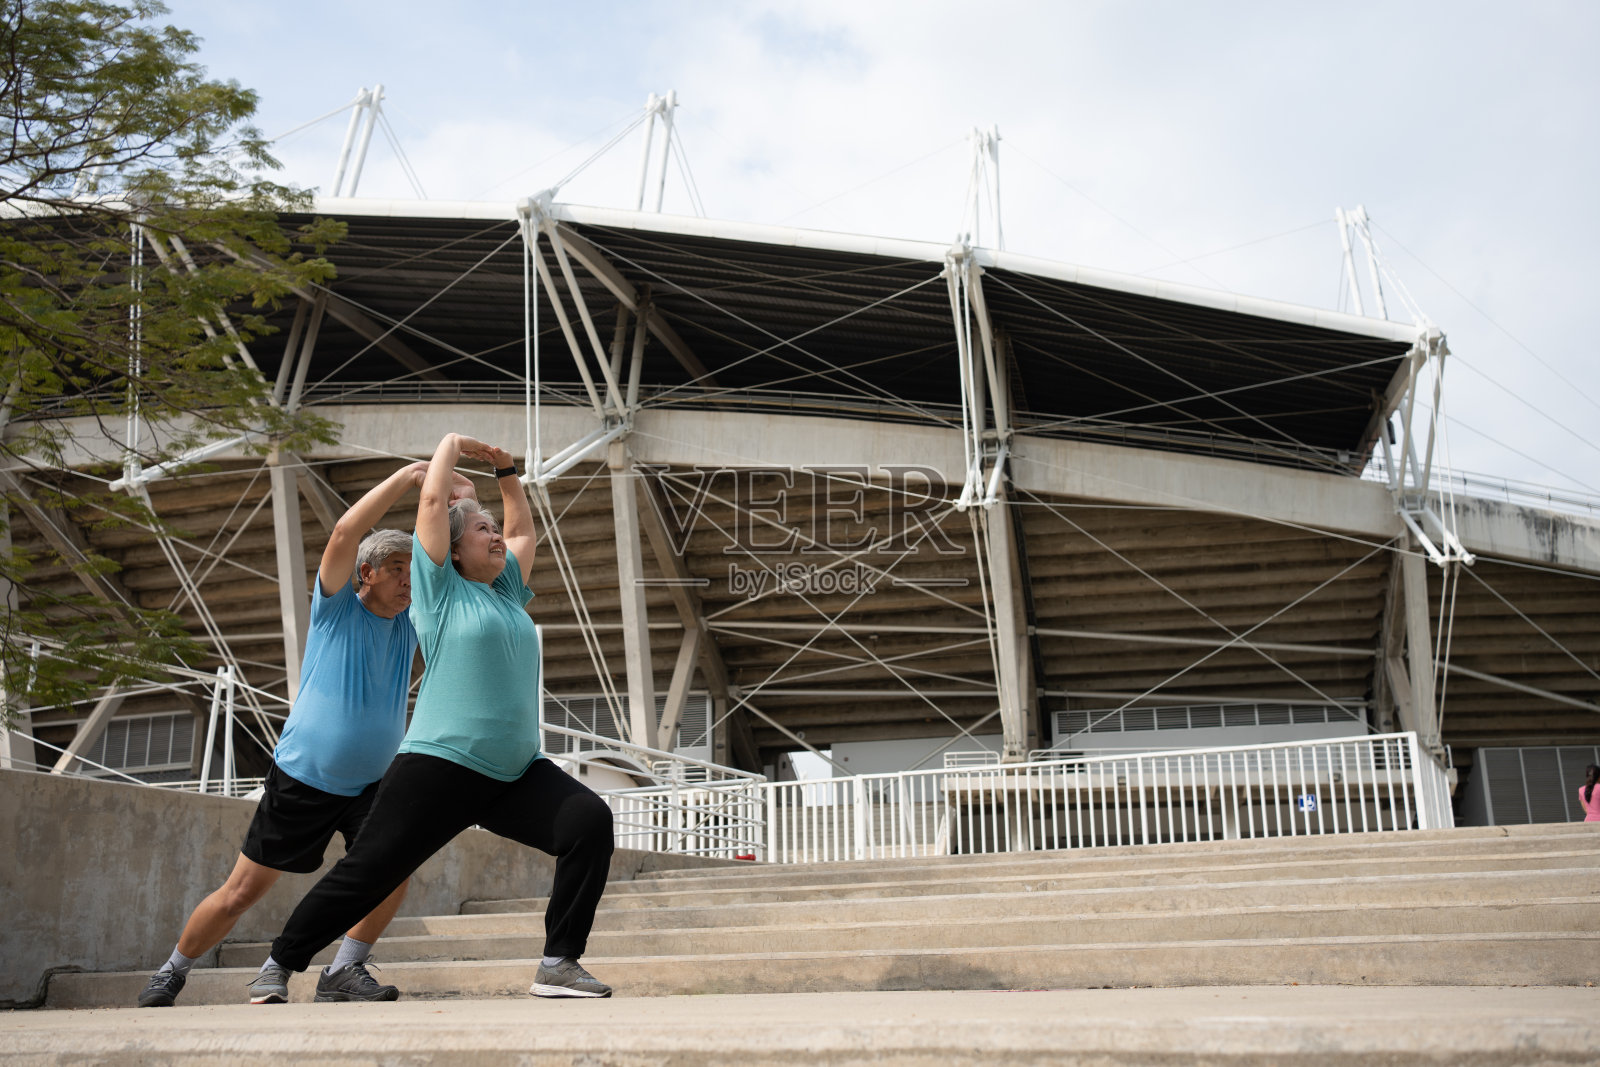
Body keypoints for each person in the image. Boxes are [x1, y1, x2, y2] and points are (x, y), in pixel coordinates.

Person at [263, 433, 616, 999]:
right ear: (451, 551)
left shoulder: (505, 594)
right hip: (439, 764)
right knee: (370, 872)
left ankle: (558, 963)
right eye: (482, 530)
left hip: (514, 771)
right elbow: (431, 506)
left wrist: (507, 472)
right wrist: (450, 447)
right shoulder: (440, 590)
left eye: (493, 529)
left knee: (588, 823)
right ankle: (281, 963)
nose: (496, 535)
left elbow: (523, 530)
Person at [137, 460, 474, 1008]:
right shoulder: (335, 610)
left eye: (413, 570)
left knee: (393, 871)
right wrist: (409, 480)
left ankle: (344, 969)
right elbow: (344, 532)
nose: (408, 581)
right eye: (396, 568)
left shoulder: (414, 620)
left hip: (371, 785)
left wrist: (457, 497)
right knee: (241, 893)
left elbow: (450, 546)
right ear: (366, 573)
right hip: (304, 778)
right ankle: (172, 972)